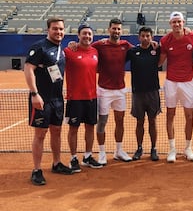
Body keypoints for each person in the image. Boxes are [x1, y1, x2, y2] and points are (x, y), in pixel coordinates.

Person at [24, 16, 73, 186]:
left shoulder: (62, 50)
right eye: (55, 29)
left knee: (56, 131)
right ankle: (37, 170)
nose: (58, 32)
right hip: (41, 99)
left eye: (61, 29)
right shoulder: (39, 47)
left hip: (57, 99)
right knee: (40, 134)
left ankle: (57, 163)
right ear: (48, 30)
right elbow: (28, 69)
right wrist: (34, 94)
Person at [92, 18, 133, 165]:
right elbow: (86, 48)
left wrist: (153, 44)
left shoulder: (125, 45)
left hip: (120, 90)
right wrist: (74, 45)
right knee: (102, 122)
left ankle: (118, 151)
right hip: (104, 91)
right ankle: (102, 153)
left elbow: (140, 50)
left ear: (121, 31)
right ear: (109, 29)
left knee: (120, 121)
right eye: (114, 28)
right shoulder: (100, 45)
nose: (116, 31)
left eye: (118, 29)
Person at [159, 11, 193, 163]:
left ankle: (188, 148)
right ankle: (172, 149)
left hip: (188, 82)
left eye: (179, 22)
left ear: (183, 23)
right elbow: (159, 62)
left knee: (189, 116)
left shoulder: (192, 37)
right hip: (171, 82)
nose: (177, 24)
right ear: (170, 24)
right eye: (174, 22)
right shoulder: (165, 40)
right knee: (170, 115)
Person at [64, 24, 102, 172]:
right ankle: (73, 158)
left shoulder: (95, 51)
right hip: (75, 98)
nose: (87, 36)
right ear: (78, 35)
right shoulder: (69, 51)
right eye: (84, 34)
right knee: (73, 129)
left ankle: (87, 156)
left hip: (92, 97)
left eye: (89, 34)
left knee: (90, 127)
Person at [126, 26, 161, 161]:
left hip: (153, 92)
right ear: (139, 37)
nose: (145, 38)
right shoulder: (133, 52)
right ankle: (139, 148)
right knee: (139, 122)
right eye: (143, 36)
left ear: (152, 37)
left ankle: (153, 148)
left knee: (153, 121)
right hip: (137, 93)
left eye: (148, 36)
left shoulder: (156, 50)